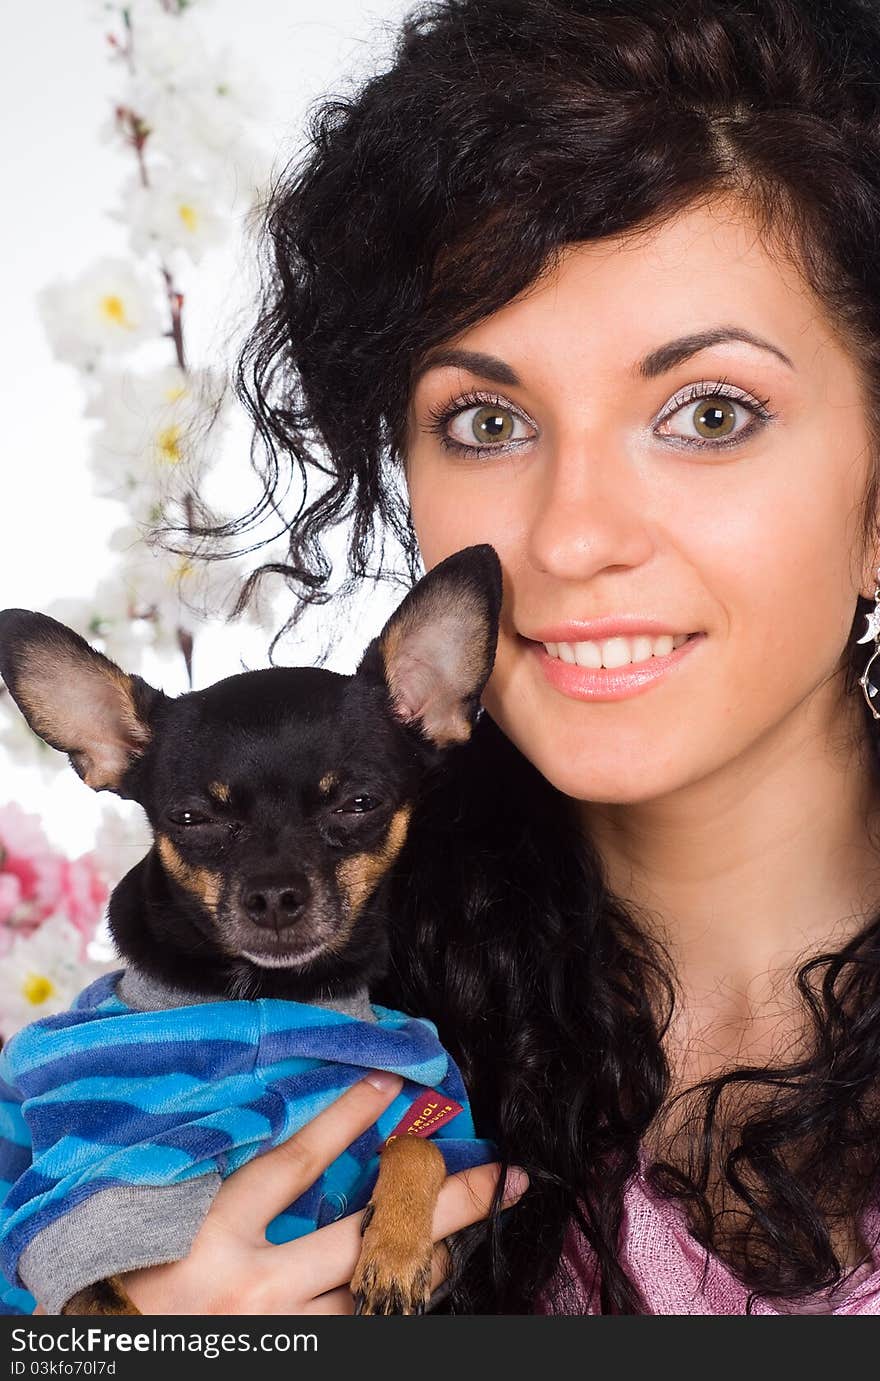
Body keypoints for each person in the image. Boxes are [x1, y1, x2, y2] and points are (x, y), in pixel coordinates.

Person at [50, 0, 880, 1314]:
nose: (573, 534)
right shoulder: (254, 1003)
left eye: (708, 412)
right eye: (487, 419)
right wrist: (107, 1329)